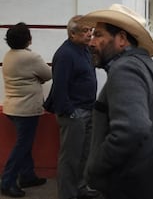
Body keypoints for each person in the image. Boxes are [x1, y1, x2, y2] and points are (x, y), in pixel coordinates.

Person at [80, 4, 153, 199]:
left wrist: (95, 168)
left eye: (99, 35)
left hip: (133, 182)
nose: (91, 42)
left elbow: (132, 129)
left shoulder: (125, 69)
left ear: (121, 39)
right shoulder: (149, 67)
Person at [43, 16, 98, 199]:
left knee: (84, 155)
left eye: (90, 30)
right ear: (72, 33)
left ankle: (81, 188)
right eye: (85, 30)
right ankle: (67, 195)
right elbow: (59, 87)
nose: (90, 33)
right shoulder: (65, 54)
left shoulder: (84, 50)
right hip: (74, 113)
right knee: (70, 159)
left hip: (88, 110)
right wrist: (70, 112)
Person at [1, 22, 51, 198]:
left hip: (12, 108)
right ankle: (7, 181)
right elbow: (48, 74)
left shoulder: (8, 56)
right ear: (28, 39)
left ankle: (27, 176)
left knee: (25, 143)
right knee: (22, 146)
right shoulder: (30, 57)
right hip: (26, 109)